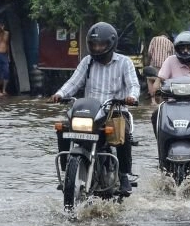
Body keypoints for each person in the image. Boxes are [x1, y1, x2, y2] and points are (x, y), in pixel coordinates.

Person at [50, 22, 140, 195]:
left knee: (122, 132)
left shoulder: (124, 63)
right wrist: (60, 94)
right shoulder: (87, 62)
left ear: (111, 44)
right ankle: (67, 170)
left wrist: (132, 97)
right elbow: (74, 82)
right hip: (89, 112)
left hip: (115, 112)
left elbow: (133, 86)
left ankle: (123, 175)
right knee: (62, 127)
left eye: (102, 45)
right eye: (94, 45)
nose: (98, 48)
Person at [145, 31, 174, 105]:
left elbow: (149, 53)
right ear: (167, 37)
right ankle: (161, 102)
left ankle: (153, 101)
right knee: (163, 83)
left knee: (150, 80)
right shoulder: (170, 43)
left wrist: (147, 64)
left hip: (154, 65)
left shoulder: (154, 39)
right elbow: (172, 57)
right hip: (164, 67)